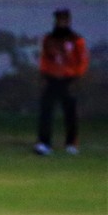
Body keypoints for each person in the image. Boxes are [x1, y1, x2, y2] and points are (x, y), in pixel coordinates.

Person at [35, 8, 89, 156]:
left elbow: (82, 60)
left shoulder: (76, 40)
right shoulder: (49, 39)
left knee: (70, 112)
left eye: (64, 20)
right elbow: (44, 58)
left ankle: (71, 143)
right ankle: (44, 143)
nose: (61, 23)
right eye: (59, 20)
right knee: (46, 111)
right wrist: (43, 75)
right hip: (51, 79)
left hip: (68, 79)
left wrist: (77, 77)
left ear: (69, 21)